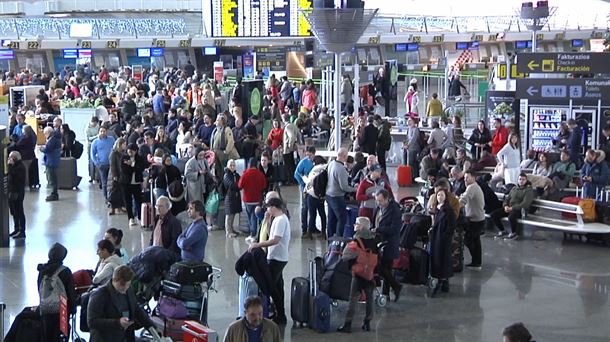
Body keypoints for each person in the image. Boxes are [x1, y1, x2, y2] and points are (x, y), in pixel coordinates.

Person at [248, 197, 290, 325]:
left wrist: (258, 245)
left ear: (273, 207)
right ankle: (280, 314)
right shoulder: (277, 219)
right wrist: (266, 219)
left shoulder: (281, 220)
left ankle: (281, 315)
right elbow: (268, 233)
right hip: (275, 257)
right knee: (276, 287)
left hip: (278, 258)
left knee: (269, 286)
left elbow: (275, 240)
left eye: (268, 207)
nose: (266, 209)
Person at [87, 266, 156, 342]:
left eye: (128, 284)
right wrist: (117, 323)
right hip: (105, 338)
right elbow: (92, 322)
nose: (125, 288)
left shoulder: (128, 289)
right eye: (122, 285)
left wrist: (152, 328)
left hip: (124, 336)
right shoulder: (99, 294)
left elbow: (136, 309)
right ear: (114, 280)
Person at [336, 217, 378, 333]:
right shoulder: (374, 241)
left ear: (361, 227)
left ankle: (347, 325)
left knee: (353, 300)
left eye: (357, 223)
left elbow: (345, 256)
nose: (354, 225)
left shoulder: (356, 241)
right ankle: (367, 322)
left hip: (358, 275)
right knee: (370, 300)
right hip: (369, 275)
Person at [37, 243, 77, 342]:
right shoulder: (65, 271)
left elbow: (39, 288)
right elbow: (70, 292)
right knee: (62, 334)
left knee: (47, 335)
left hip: (46, 307)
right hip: (62, 308)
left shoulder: (42, 270)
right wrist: (72, 308)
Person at [372, 189, 402, 302]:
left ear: (387, 199)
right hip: (380, 242)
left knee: (385, 269)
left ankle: (392, 289)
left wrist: (379, 229)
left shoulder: (395, 210)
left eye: (380, 201)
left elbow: (395, 229)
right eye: (377, 200)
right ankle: (389, 292)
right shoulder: (379, 208)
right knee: (384, 269)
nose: (378, 203)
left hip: (389, 243)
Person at [428, 189, 456, 297]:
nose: (439, 197)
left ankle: (442, 281)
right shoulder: (437, 209)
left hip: (443, 239)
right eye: (438, 195)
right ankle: (443, 281)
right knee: (438, 259)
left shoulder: (448, 210)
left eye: (442, 195)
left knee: (443, 260)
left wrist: (445, 236)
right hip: (437, 238)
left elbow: (451, 226)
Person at [490, 173, 534, 240]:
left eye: (523, 179)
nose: (521, 181)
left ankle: (514, 233)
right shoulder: (514, 188)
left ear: (526, 181)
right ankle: (502, 230)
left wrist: (512, 208)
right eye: (520, 179)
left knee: (511, 217)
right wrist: (505, 206)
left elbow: (525, 203)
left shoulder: (528, 190)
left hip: (519, 210)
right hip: (509, 208)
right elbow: (507, 199)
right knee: (493, 214)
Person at [326, 148, 357, 238]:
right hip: (337, 197)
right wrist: (355, 189)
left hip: (328, 195)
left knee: (331, 219)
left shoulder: (331, 164)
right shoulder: (341, 169)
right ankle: (339, 240)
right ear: (344, 156)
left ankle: (330, 239)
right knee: (342, 219)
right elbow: (344, 187)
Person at [459, 171, 485, 270]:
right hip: (477, 218)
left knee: (470, 240)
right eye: (464, 177)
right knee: (475, 241)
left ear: (473, 178)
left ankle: (476, 262)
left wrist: (453, 207)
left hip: (475, 220)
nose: (465, 179)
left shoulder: (472, 187)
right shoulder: (473, 187)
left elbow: (463, 200)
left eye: (467, 177)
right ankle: (476, 262)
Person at [239, 159, 268, 241]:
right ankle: (255, 234)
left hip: (247, 199)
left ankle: (253, 234)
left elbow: (240, 185)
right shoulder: (260, 174)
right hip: (257, 199)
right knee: (254, 216)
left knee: (250, 217)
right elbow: (264, 186)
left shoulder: (245, 174)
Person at [120, 143, 147, 226]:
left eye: (132, 151)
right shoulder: (124, 158)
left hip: (136, 183)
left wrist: (132, 164)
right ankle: (130, 218)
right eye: (129, 151)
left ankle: (140, 216)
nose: (130, 153)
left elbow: (141, 168)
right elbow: (125, 170)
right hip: (126, 183)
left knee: (139, 201)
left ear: (136, 151)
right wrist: (135, 168)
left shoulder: (140, 158)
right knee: (128, 201)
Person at [294, 146, 316, 238]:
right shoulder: (303, 162)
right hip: (305, 188)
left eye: (310, 155)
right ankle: (304, 228)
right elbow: (296, 174)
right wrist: (303, 184)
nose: (309, 157)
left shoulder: (315, 162)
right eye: (307, 155)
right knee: (305, 208)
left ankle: (312, 227)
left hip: (314, 189)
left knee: (313, 208)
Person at [91, 126, 116, 201]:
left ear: (106, 132)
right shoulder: (95, 142)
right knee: (104, 182)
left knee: (112, 182)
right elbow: (92, 154)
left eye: (104, 131)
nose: (102, 133)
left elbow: (115, 149)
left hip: (111, 164)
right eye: (101, 131)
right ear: (98, 132)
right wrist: (97, 163)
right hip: (102, 165)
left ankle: (113, 197)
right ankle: (106, 198)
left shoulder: (111, 139)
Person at [7, 151, 26, 239]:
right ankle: (16, 228)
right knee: (14, 212)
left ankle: (22, 231)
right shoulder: (15, 166)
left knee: (19, 211)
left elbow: (15, 176)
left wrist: (10, 166)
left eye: (10, 158)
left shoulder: (20, 167)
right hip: (13, 192)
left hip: (17, 192)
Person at [41, 126, 61, 201]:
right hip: (53, 160)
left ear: (48, 133)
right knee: (52, 178)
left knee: (52, 178)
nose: (44, 135)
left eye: (45, 133)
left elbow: (47, 149)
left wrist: (41, 148)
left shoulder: (53, 139)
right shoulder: (55, 138)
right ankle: (54, 193)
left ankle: (54, 194)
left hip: (51, 161)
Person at [223, 159, 243, 238]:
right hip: (229, 197)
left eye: (233, 165)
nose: (232, 167)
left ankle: (232, 229)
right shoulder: (226, 175)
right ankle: (228, 231)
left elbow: (241, 183)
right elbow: (231, 185)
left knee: (233, 214)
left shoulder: (236, 175)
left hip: (236, 197)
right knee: (229, 215)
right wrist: (238, 185)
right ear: (228, 166)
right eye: (230, 165)